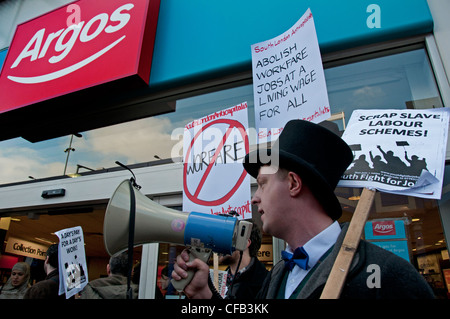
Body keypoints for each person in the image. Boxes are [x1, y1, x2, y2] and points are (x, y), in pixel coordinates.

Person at [172, 119, 435, 299]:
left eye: (262, 184)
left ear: (294, 183)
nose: (255, 199)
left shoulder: (387, 274)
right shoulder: (278, 274)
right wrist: (204, 296)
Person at [217, 221, 268, 299]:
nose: (220, 243)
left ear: (245, 243)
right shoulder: (218, 282)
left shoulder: (268, 282)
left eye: (228, 237)